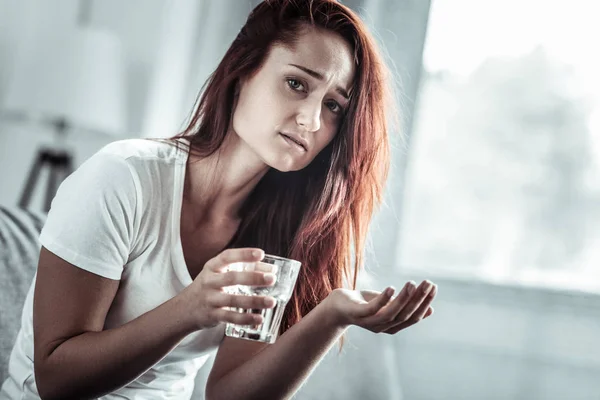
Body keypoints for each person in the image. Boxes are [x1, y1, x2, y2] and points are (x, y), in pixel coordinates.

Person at [1, 0, 438, 399]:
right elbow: (56, 379)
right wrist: (190, 309)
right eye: (295, 83)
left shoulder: (281, 231)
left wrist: (331, 314)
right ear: (243, 71)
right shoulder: (124, 177)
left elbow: (228, 396)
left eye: (334, 107)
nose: (310, 119)